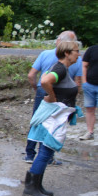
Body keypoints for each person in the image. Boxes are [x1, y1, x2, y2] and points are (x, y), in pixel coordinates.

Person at [23, 40, 82, 196]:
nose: (79, 54)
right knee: (46, 151)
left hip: (55, 118)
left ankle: (37, 186)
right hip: (52, 119)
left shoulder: (63, 69)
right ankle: (30, 188)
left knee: (46, 151)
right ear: (67, 53)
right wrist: (53, 97)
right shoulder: (60, 69)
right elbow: (44, 81)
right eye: (76, 51)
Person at [23, 30, 83, 163]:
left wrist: (37, 88)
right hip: (63, 96)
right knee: (54, 125)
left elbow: (31, 75)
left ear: (59, 41)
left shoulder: (45, 54)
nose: (78, 53)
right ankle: (47, 156)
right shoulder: (76, 59)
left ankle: (30, 154)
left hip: (43, 92)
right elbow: (77, 82)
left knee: (37, 120)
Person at [81, 42, 97, 141]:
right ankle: (90, 132)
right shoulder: (91, 49)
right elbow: (84, 65)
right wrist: (84, 82)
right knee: (89, 109)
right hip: (90, 84)